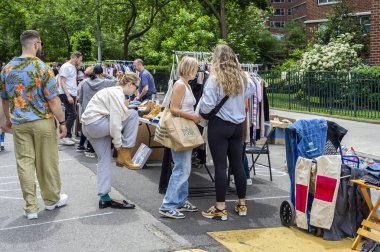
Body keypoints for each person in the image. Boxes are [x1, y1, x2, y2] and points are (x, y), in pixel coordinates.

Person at [0, 30, 68, 220]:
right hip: (43, 121)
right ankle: (51, 200)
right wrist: (62, 122)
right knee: (47, 162)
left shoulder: (7, 69)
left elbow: (4, 100)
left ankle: (30, 208)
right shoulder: (43, 68)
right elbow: (54, 101)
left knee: (24, 164)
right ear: (36, 44)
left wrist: (6, 119)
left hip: (20, 123)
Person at [199, 45, 255, 221]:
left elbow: (207, 105)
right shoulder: (243, 77)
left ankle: (220, 208)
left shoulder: (214, 78)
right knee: (238, 165)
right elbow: (251, 92)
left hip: (219, 125)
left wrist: (203, 111)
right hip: (238, 126)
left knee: (220, 166)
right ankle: (242, 204)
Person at [81, 72, 140, 209]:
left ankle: (104, 197)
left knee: (104, 159)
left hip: (89, 126)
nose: (135, 91)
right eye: (136, 87)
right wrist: (119, 145)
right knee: (133, 115)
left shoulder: (110, 91)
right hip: (96, 124)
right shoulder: (117, 94)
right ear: (130, 84)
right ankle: (125, 154)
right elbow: (115, 123)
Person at [159, 56, 200, 219]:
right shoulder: (180, 85)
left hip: (185, 128)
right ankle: (168, 204)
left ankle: (181, 200)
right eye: (195, 69)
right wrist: (193, 118)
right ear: (189, 69)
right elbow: (173, 109)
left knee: (184, 167)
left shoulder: (185, 85)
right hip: (181, 128)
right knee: (181, 168)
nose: (197, 72)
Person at [77, 64, 117, 157]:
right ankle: (90, 149)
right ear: (101, 73)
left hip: (86, 109)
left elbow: (81, 97)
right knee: (94, 129)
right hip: (97, 111)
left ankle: (81, 145)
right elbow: (116, 80)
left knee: (86, 127)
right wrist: (107, 75)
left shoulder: (85, 83)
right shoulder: (104, 82)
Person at [58, 51, 83, 146]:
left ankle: (68, 135)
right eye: (80, 59)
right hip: (66, 93)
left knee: (69, 114)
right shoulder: (66, 67)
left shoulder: (72, 67)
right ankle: (64, 136)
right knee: (73, 114)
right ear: (76, 58)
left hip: (71, 93)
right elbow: (62, 82)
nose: (80, 61)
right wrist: (68, 95)